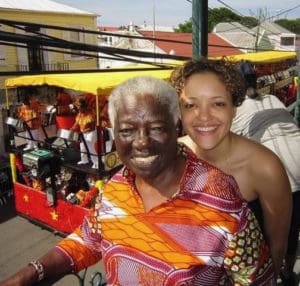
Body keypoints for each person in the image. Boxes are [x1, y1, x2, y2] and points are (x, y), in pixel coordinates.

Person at [0, 76, 275, 285]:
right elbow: (89, 238)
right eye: (127, 130)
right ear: (114, 134)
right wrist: (30, 274)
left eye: (156, 128)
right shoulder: (115, 187)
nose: (142, 142)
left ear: (175, 127)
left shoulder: (223, 201)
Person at [169, 58, 292, 277]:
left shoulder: (265, 168)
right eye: (191, 105)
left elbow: (276, 249)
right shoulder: (170, 157)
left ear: (235, 108)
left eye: (218, 103)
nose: (204, 116)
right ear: (179, 111)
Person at [231, 92, 300, 285]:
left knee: (271, 233)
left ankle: (271, 275)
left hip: (272, 169)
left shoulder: (236, 109)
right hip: (296, 158)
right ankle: (287, 272)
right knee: (291, 227)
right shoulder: (272, 98)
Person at [70, 98, 98, 168]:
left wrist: (82, 132)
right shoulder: (79, 114)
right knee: (82, 147)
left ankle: (96, 163)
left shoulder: (90, 115)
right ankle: (84, 160)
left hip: (91, 133)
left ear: (84, 107)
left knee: (90, 148)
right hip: (83, 133)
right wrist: (71, 129)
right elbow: (76, 123)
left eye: (79, 107)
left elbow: (92, 128)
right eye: (78, 107)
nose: (78, 109)